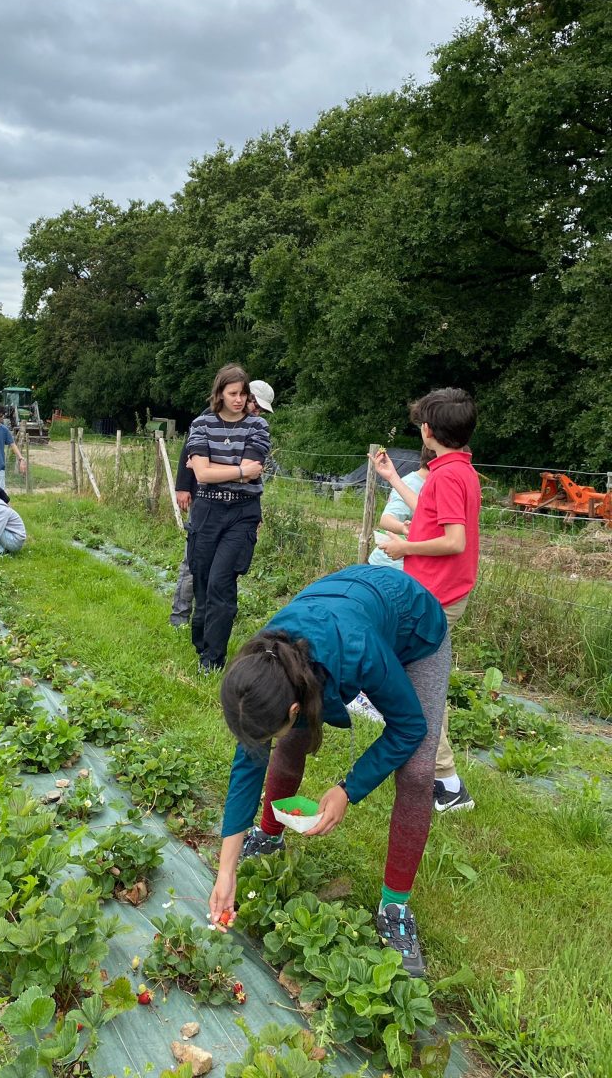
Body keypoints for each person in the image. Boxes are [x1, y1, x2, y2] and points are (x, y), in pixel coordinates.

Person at [208, 564, 450, 978]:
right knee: (290, 739)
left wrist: (347, 789)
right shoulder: (267, 664)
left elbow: (409, 726)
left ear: (294, 706)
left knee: (416, 771)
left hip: (414, 627)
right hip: (345, 607)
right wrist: (226, 870)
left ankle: (394, 907)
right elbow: (249, 763)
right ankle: (267, 837)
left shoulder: (358, 653)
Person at [374, 388, 481, 814]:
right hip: (438, 592)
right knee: (421, 684)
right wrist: (394, 480)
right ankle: (440, 775)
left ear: (426, 431)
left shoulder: (450, 475)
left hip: (439, 597)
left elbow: (453, 541)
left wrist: (405, 549)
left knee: (421, 690)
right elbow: (430, 515)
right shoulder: (454, 470)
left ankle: (447, 783)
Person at [185, 364, 271, 673]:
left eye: (243, 394)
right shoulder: (201, 424)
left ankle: (213, 659)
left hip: (241, 515)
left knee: (222, 582)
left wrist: (216, 470)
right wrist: (237, 471)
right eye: (232, 393)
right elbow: (204, 474)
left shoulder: (257, 427)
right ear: (219, 393)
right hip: (207, 512)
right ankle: (202, 643)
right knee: (203, 580)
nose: (238, 399)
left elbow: (252, 471)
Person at [169, 380, 275, 629]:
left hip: (238, 507)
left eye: (260, 410)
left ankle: (216, 616)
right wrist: (184, 486)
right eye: (256, 406)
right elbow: (190, 455)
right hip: (205, 499)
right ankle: (180, 616)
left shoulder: (253, 427)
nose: (257, 412)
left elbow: (252, 472)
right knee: (193, 562)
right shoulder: (210, 418)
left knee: (224, 567)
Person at [347, 443, 434, 722]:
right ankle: (361, 693)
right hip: (390, 570)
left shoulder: (441, 485)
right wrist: (410, 528)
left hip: (413, 574)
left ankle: (382, 694)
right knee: (381, 635)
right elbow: (387, 519)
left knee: (397, 638)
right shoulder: (413, 482)